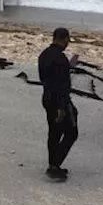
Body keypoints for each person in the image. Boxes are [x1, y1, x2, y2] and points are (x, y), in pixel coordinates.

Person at [37, 27, 79, 181]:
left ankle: (53, 163)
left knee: (54, 133)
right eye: (67, 40)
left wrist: (68, 67)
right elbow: (61, 84)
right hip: (59, 101)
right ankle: (54, 165)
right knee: (72, 132)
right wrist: (62, 107)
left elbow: (48, 77)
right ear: (65, 39)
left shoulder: (44, 55)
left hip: (47, 97)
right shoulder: (60, 59)